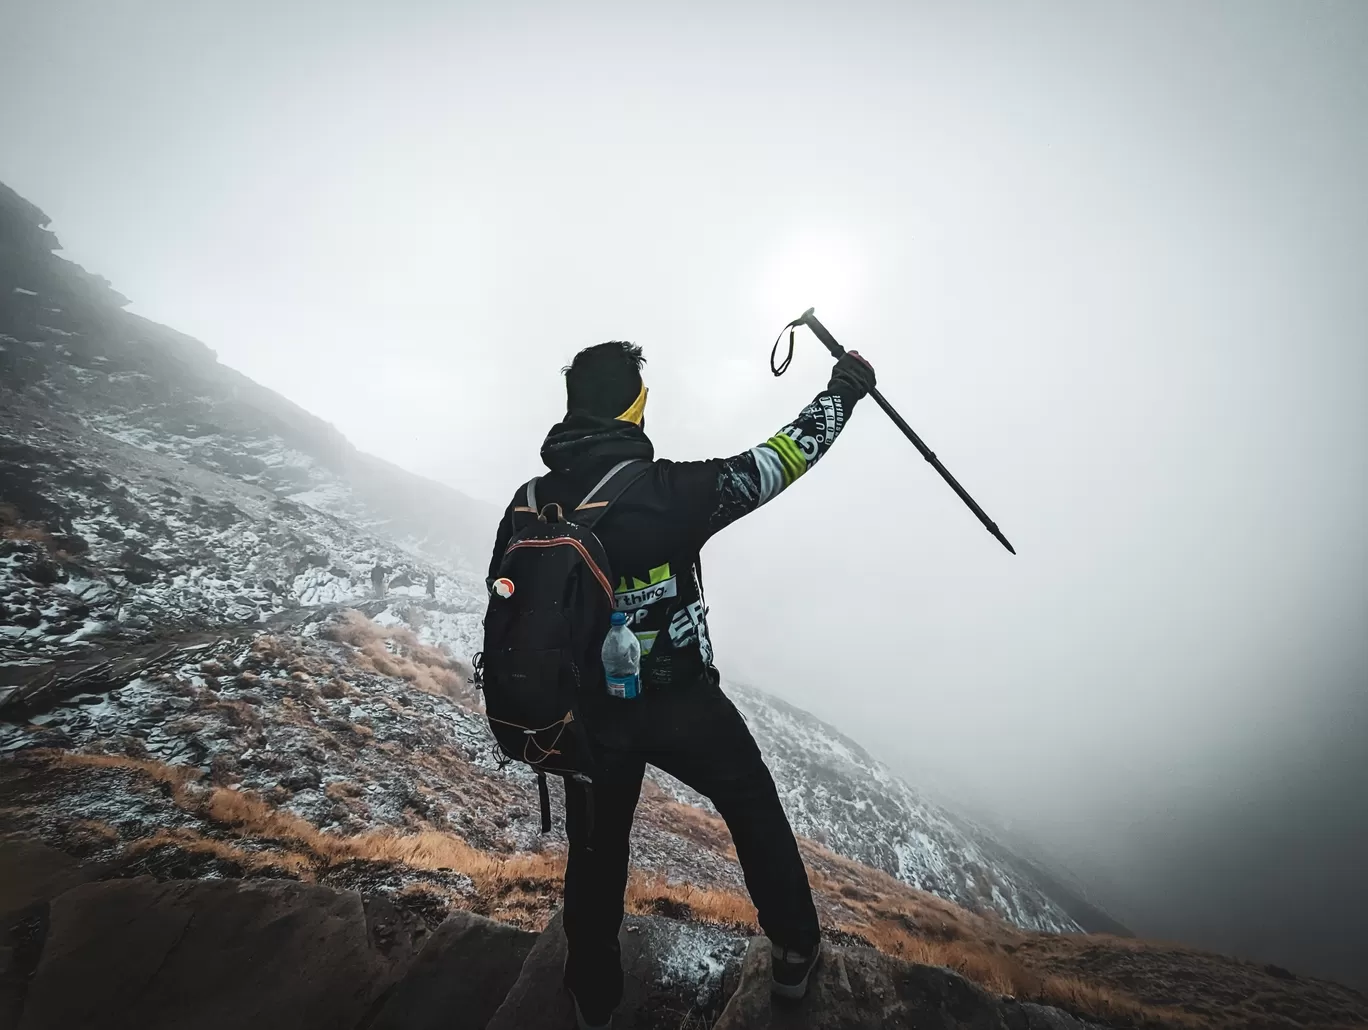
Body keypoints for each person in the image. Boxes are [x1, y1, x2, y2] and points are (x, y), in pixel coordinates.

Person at [486, 340, 876, 1029]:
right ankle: (794, 951)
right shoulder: (667, 494)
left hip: (584, 716)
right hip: (680, 701)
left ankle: (591, 992)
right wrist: (844, 390)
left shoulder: (527, 505)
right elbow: (780, 459)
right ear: (635, 407)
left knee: (598, 851)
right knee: (751, 801)